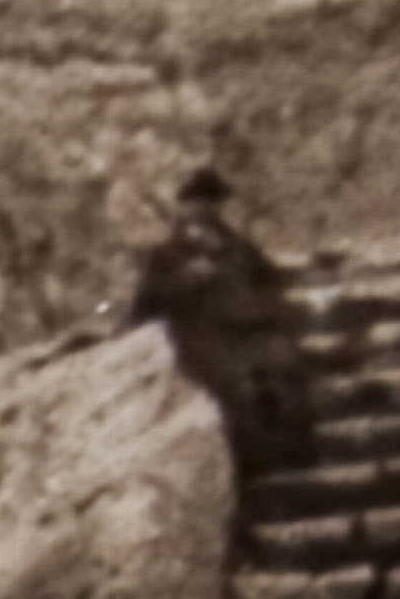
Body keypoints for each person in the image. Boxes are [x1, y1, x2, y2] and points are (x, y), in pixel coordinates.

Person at [130, 167, 309, 476]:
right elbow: (144, 306)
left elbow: (270, 279)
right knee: (231, 399)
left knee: (284, 374)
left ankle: (285, 458)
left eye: (209, 203)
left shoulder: (235, 246)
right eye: (194, 203)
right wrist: (186, 281)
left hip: (249, 337)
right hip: (198, 343)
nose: (202, 211)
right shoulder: (166, 254)